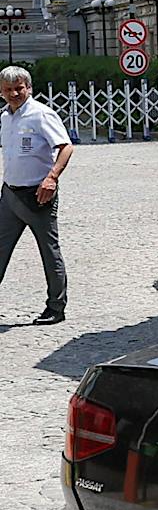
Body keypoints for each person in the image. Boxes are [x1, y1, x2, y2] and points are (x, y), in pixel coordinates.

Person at [0, 64, 72, 324]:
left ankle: (55, 307)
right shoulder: (5, 118)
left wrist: (51, 178)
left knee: (49, 251)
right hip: (9, 195)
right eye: (8, 89)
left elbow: (66, 147)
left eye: (19, 88)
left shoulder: (42, 114)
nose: (14, 94)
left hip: (38, 195)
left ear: (28, 88)